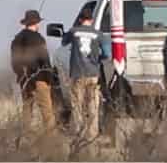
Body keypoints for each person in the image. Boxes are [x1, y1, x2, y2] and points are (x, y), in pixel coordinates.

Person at [10, 9, 55, 132]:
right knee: (46, 110)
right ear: (36, 23)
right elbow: (44, 60)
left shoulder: (17, 39)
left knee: (27, 108)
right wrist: (49, 78)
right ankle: (52, 139)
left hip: (24, 79)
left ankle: (25, 135)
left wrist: (21, 75)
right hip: (39, 79)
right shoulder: (38, 39)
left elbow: (14, 62)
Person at [65, 8, 106, 142]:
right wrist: (99, 58)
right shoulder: (98, 34)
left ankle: (78, 133)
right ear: (92, 20)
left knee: (77, 105)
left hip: (77, 73)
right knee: (93, 105)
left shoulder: (73, 31)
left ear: (81, 19)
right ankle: (92, 135)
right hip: (93, 73)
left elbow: (63, 42)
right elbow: (108, 53)